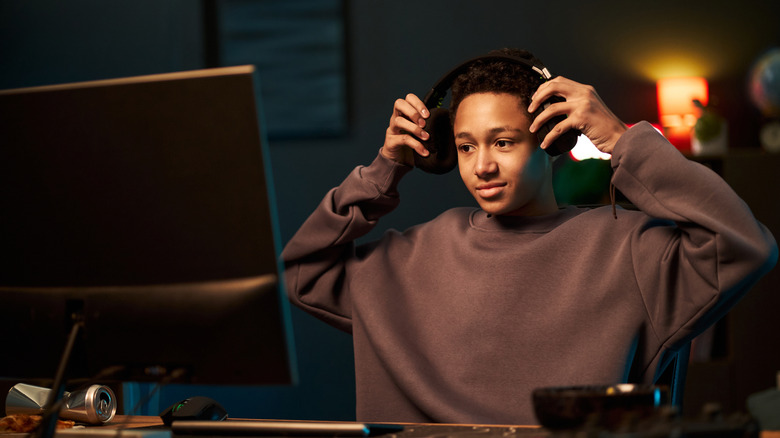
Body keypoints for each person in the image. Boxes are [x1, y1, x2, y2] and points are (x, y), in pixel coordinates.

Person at [281, 48, 778, 425]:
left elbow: (744, 244)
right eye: (465, 146)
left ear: (554, 138)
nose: (483, 165)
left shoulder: (630, 250)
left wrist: (624, 139)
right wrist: (384, 168)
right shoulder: (407, 258)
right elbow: (303, 272)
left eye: (503, 142)